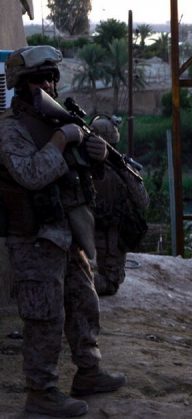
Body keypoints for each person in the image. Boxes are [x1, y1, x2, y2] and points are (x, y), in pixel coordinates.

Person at [0, 45, 126, 417]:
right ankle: (41, 393)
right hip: (35, 238)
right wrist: (61, 140)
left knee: (83, 304)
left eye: (53, 78)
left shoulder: (56, 120)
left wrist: (95, 152)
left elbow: (79, 175)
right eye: (41, 79)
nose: (50, 85)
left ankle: (88, 371)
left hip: (66, 233)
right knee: (44, 317)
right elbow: (31, 175)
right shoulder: (11, 129)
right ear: (22, 86)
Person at [90, 116, 149, 296]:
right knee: (107, 283)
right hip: (99, 238)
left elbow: (142, 201)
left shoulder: (120, 168)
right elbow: (143, 202)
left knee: (108, 283)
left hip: (109, 239)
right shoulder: (120, 169)